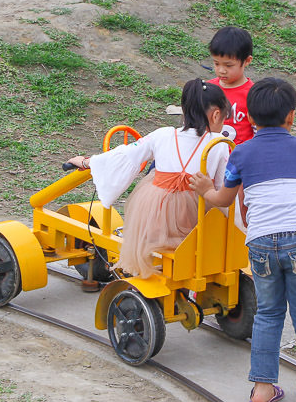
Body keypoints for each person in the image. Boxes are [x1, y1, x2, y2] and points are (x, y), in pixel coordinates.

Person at [191, 77, 296, 402]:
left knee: (269, 314)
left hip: (261, 241)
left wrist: (204, 189)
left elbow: (224, 199)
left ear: (250, 119)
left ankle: (262, 390)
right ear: (292, 117)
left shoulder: (241, 151)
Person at [68, 79, 232, 279]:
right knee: (216, 212)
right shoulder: (219, 144)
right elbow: (222, 186)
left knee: (151, 189)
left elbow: (125, 155)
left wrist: (87, 162)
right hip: (196, 217)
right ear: (216, 115)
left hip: (156, 214)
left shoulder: (162, 135)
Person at [208, 26, 254, 145]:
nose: (221, 70)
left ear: (247, 61)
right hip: (210, 156)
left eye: (229, 66)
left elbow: (258, 132)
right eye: (216, 63)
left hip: (239, 160)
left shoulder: (253, 95)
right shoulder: (208, 89)